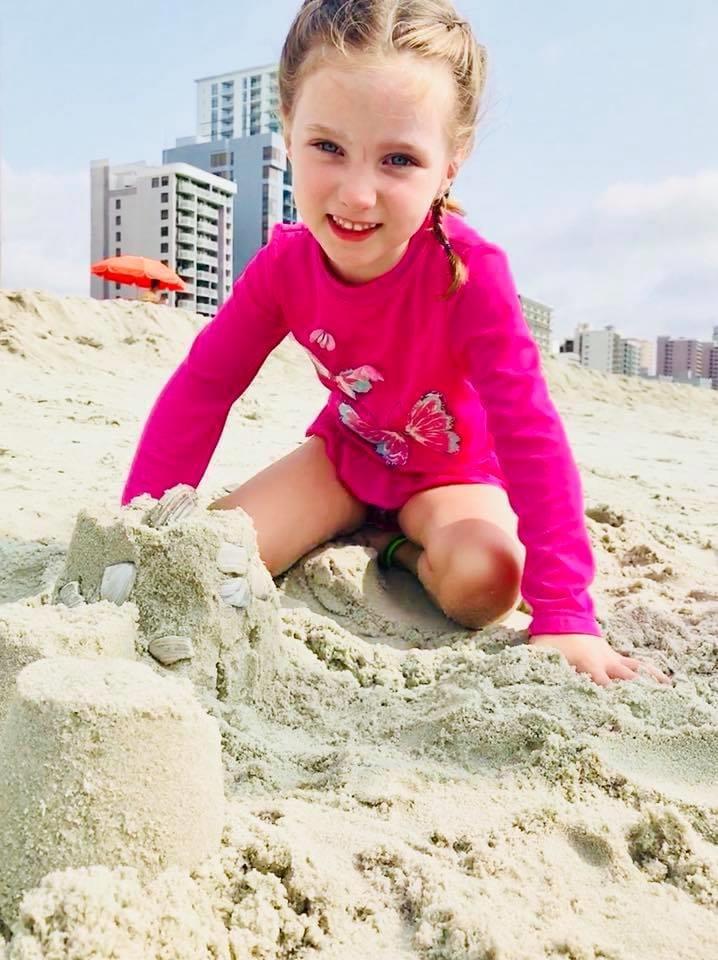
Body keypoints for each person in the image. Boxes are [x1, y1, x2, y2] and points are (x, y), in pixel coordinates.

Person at [122, 0, 669, 688]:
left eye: (399, 159)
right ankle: (354, 523)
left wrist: (565, 613)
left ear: (450, 167)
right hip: (345, 458)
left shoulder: (470, 275)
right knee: (211, 557)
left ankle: (398, 550)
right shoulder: (283, 267)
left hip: (453, 475)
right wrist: (139, 521)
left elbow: (529, 432)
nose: (357, 194)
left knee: (485, 583)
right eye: (328, 148)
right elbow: (205, 387)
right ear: (287, 130)